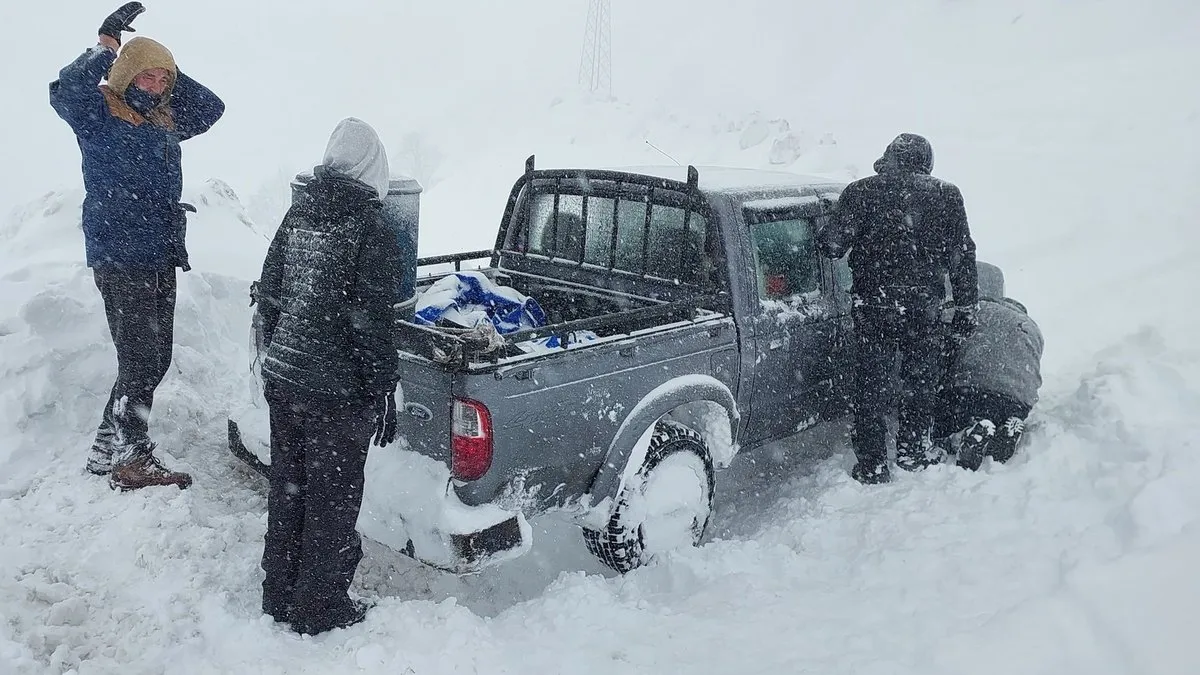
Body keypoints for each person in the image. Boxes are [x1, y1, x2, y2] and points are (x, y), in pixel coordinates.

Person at [49, 2, 225, 491]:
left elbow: (212, 108)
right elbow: (65, 91)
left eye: (160, 79)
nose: (154, 85)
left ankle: (108, 449)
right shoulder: (99, 114)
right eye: (144, 76)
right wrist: (109, 48)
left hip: (160, 251)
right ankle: (131, 457)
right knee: (140, 358)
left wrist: (163, 61)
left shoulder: (165, 122)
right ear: (125, 75)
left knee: (154, 355)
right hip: (120, 252)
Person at [255, 118, 404, 635]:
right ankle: (320, 607)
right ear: (373, 167)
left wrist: (278, 350)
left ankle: (279, 592)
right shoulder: (372, 226)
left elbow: (270, 292)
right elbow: (371, 318)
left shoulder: (301, 211)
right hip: (336, 392)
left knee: (290, 488)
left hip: (286, 378)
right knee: (333, 498)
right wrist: (382, 383)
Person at [818, 133, 979, 484]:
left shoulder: (860, 191)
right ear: (926, 162)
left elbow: (832, 245)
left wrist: (833, 228)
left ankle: (873, 463)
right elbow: (962, 256)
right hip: (923, 307)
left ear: (889, 157)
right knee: (919, 382)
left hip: (873, 304)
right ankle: (912, 450)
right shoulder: (945, 194)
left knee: (870, 384)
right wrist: (966, 306)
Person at [935, 294, 1044, 471]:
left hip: (968, 392)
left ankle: (964, 434)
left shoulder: (975, 310)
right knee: (998, 410)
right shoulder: (1031, 327)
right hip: (1016, 400)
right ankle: (1007, 424)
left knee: (941, 427)